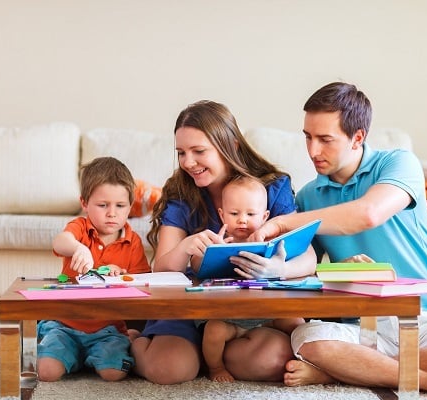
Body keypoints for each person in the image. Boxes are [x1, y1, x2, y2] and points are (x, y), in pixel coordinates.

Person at [243, 82, 427, 400]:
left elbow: (368, 214)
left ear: (358, 137)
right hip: (362, 330)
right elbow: (308, 265)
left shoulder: (399, 164)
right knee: (306, 338)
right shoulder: (310, 196)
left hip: (425, 316)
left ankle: (339, 371)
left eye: (325, 140)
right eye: (308, 137)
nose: (312, 151)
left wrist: (282, 222)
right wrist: (289, 269)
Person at [131, 100, 317, 385]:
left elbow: (308, 257)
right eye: (181, 153)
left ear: (230, 145)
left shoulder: (271, 188)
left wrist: (277, 269)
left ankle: (208, 356)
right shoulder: (182, 191)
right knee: (169, 369)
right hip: (191, 308)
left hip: (249, 313)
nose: (187, 162)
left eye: (199, 151)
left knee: (275, 361)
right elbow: (161, 268)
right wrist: (185, 246)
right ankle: (134, 343)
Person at [37, 157, 151, 382]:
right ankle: (72, 354)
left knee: (113, 374)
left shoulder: (133, 241)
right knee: (46, 372)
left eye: (120, 206)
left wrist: (124, 276)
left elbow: (143, 282)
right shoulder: (79, 228)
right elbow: (60, 242)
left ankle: (122, 341)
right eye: (103, 205)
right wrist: (78, 248)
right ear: (84, 203)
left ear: (131, 205)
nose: (112, 213)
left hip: (107, 330)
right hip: (65, 325)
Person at [202, 175, 305, 382]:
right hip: (231, 321)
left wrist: (280, 262)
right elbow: (199, 269)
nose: (242, 219)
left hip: (267, 314)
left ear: (265, 216)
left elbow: (288, 266)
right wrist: (212, 253)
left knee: (297, 321)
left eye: (251, 214)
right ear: (222, 215)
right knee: (213, 331)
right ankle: (216, 368)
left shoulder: (271, 243)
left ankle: (308, 359)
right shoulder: (216, 243)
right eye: (234, 213)